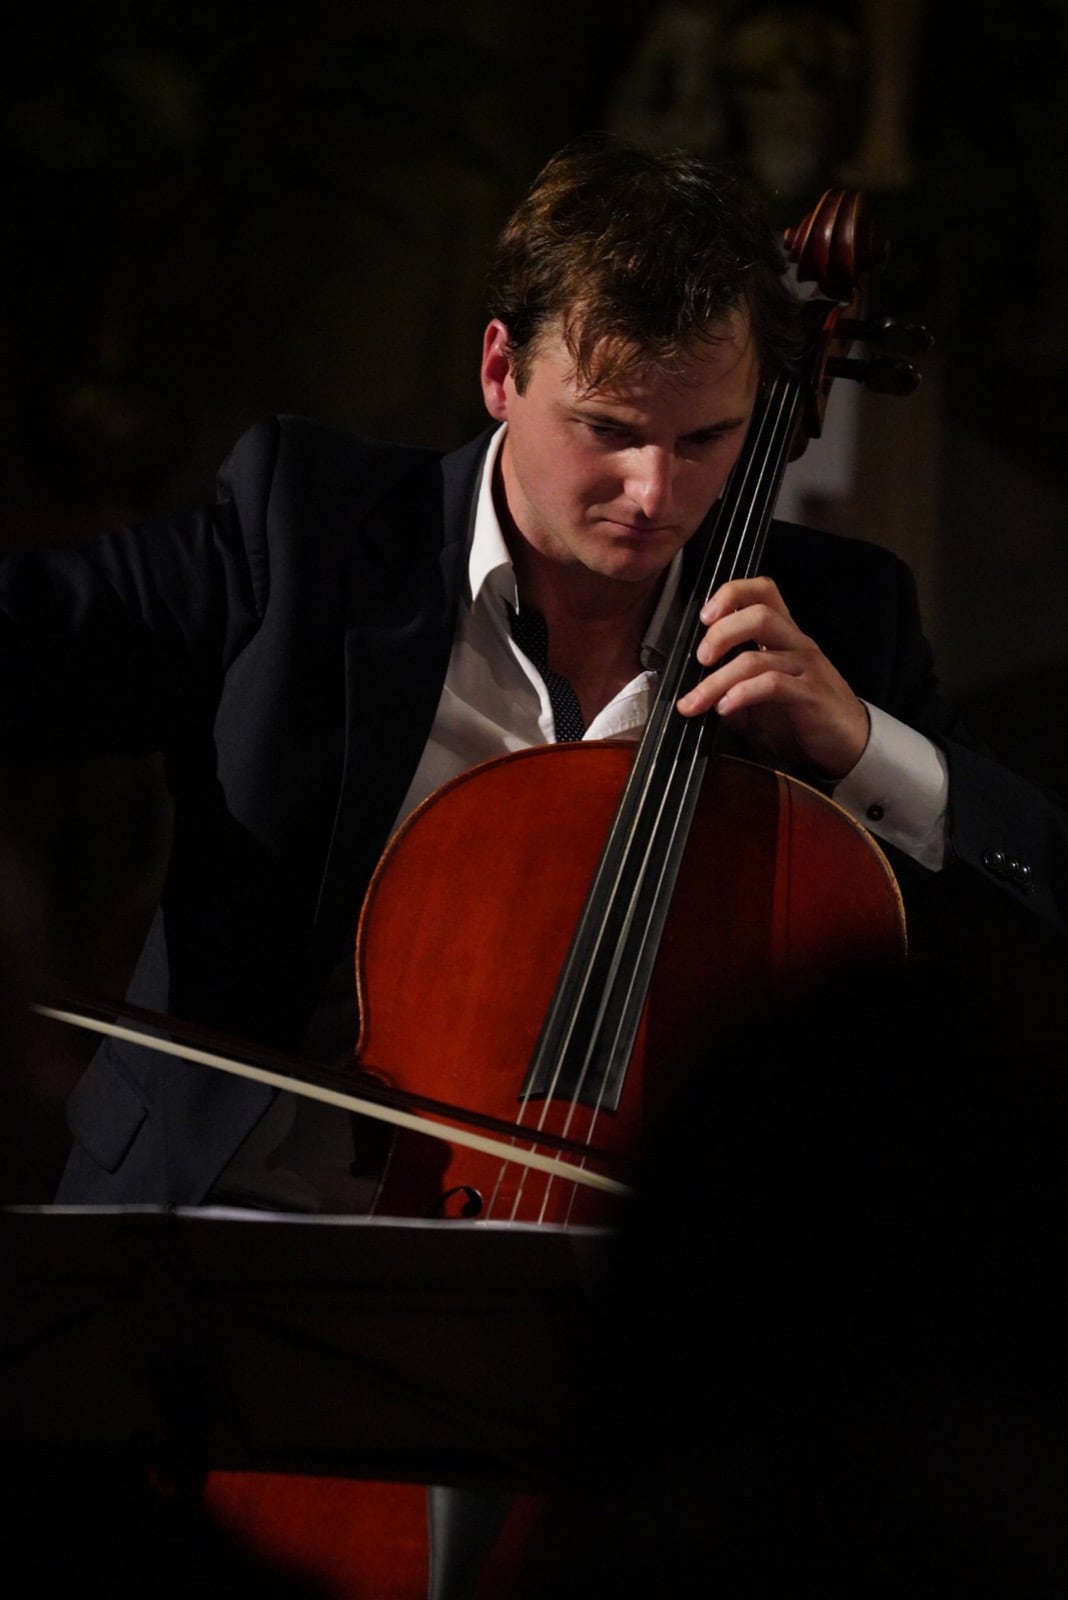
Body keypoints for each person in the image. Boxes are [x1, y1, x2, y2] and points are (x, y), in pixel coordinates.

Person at [1, 132, 1066, 1594]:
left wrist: (869, 746)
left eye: (708, 442)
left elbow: (1035, 908)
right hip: (233, 1278)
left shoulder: (842, 620)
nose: (655, 492)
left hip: (642, 1353)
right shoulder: (308, 534)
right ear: (502, 369)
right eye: (609, 428)